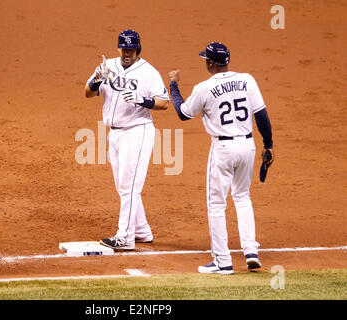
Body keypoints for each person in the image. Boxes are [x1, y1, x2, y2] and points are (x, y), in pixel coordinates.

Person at [168, 42, 274, 274]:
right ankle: (250, 251)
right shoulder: (248, 79)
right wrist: (269, 145)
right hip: (248, 146)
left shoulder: (203, 88)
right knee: (243, 197)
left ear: (210, 63)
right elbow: (261, 115)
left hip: (223, 150)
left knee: (216, 204)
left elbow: (183, 113)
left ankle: (222, 261)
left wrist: (173, 86)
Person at [85, 29, 169, 250]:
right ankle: (142, 231)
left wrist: (143, 100)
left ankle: (125, 238)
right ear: (119, 48)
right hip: (115, 133)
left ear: (138, 49)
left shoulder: (149, 72)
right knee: (124, 186)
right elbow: (88, 92)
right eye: (123, 49)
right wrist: (96, 79)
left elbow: (164, 102)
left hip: (137, 131)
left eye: (131, 49)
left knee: (130, 186)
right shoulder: (108, 66)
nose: (127, 53)